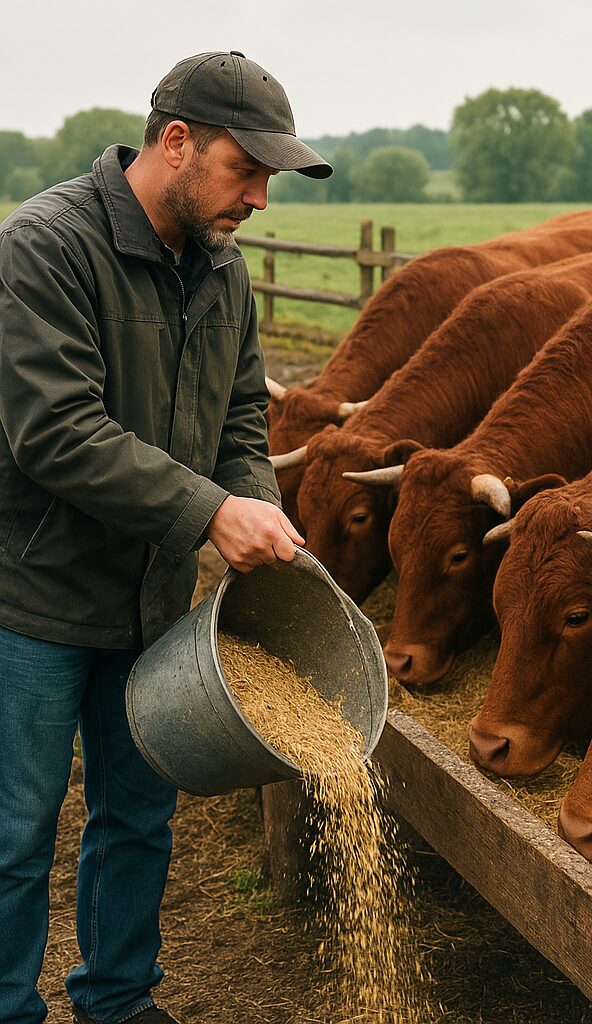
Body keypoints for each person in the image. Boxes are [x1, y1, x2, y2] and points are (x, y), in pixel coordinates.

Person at [0, 52, 331, 1024]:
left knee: (139, 814)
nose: (261, 198)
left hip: (154, 599)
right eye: (248, 169)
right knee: (17, 828)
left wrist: (253, 511)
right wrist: (209, 514)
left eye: (271, 178)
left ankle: (116, 998)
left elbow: (237, 424)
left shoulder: (222, 272)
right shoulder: (46, 246)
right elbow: (53, 429)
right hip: (36, 592)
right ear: (176, 141)